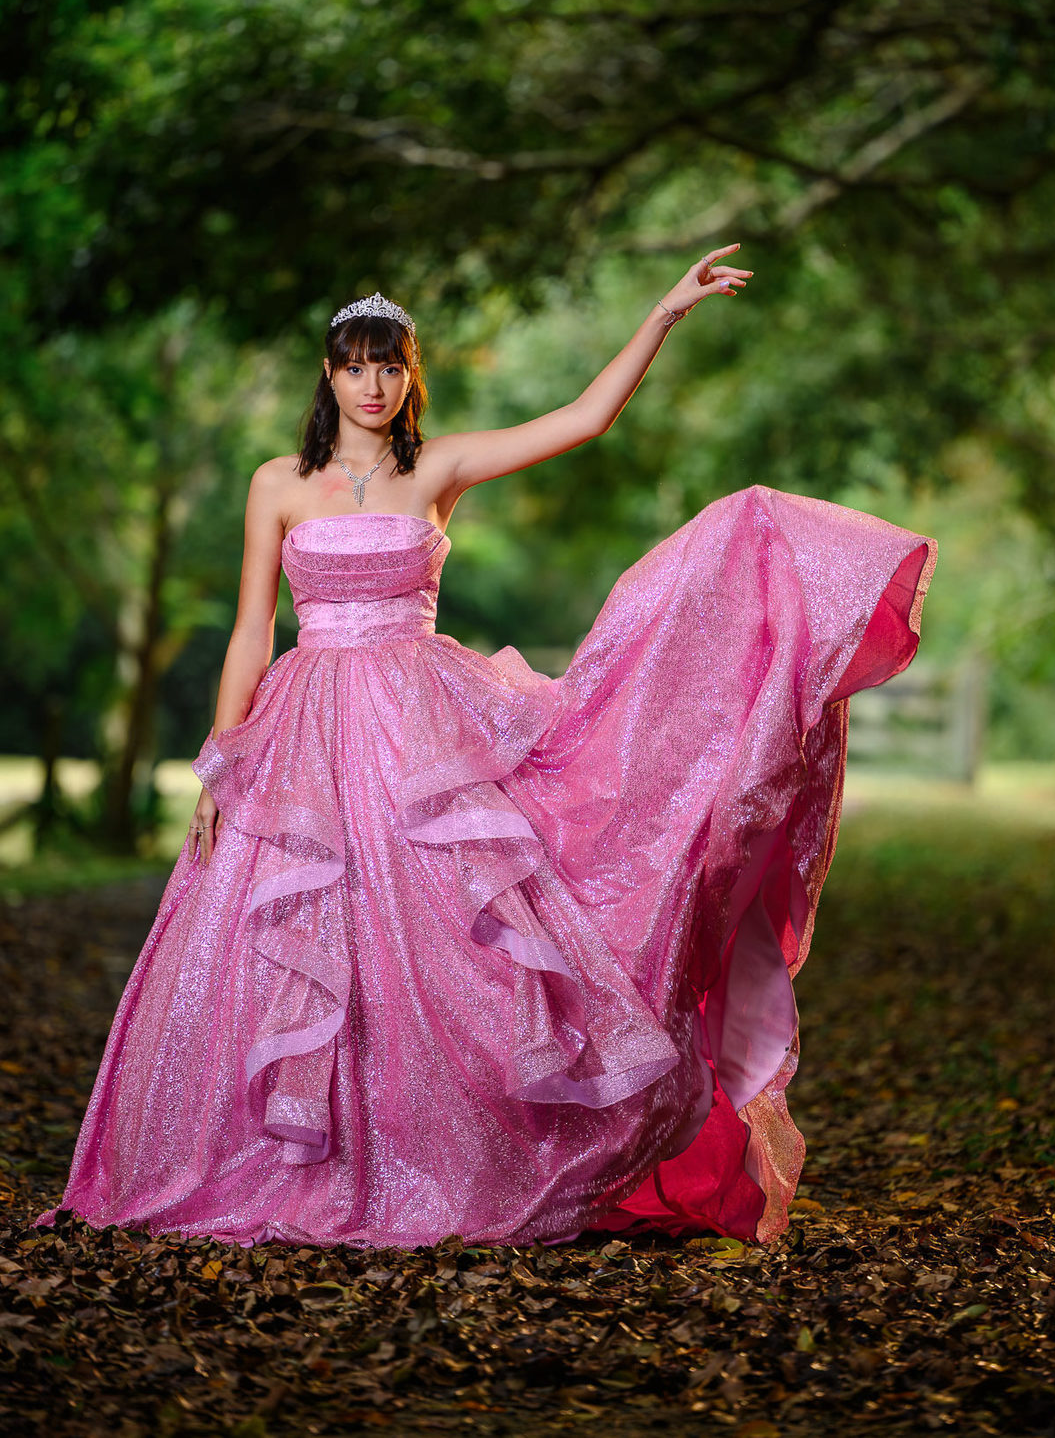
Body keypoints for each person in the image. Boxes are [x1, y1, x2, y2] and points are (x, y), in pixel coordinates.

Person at [38, 249, 935, 1249]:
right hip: (306, 734)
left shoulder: (440, 465)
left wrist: (664, 314)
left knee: (449, 950)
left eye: (389, 367)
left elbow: (583, 422)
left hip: (422, 727)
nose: (372, 385)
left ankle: (445, 1160)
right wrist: (224, 750)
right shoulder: (277, 484)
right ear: (328, 375)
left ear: (408, 377)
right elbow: (254, 627)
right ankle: (298, 1160)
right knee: (299, 944)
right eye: (354, 366)